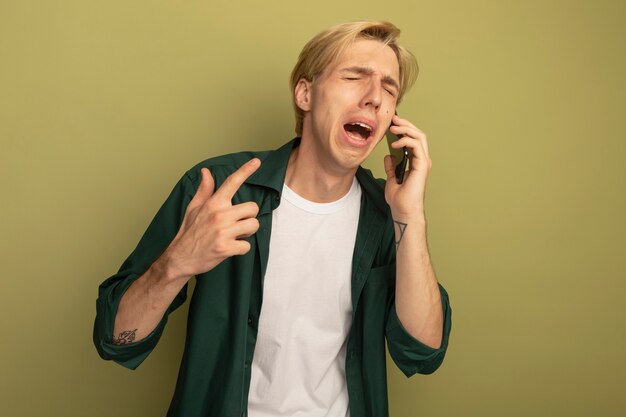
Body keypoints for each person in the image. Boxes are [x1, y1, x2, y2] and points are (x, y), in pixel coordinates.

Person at [94, 20, 452, 417]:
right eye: (355, 77)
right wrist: (176, 263)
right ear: (305, 93)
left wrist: (410, 214)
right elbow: (115, 339)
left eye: (389, 89)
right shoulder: (218, 191)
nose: (375, 98)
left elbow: (422, 351)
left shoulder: (387, 216)